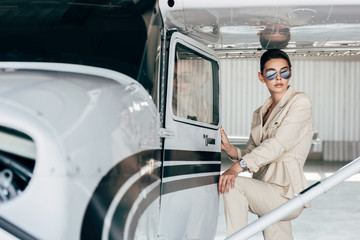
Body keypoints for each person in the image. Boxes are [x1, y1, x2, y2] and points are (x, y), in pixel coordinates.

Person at [219, 49, 314, 239]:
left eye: (284, 72)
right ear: (261, 77)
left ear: (291, 73)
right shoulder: (259, 113)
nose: (279, 78)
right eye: (271, 73)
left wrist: (235, 169)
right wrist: (230, 149)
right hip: (264, 188)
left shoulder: (300, 102)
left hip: (286, 194)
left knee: (233, 183)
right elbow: (254, 152)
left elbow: (277, 145)